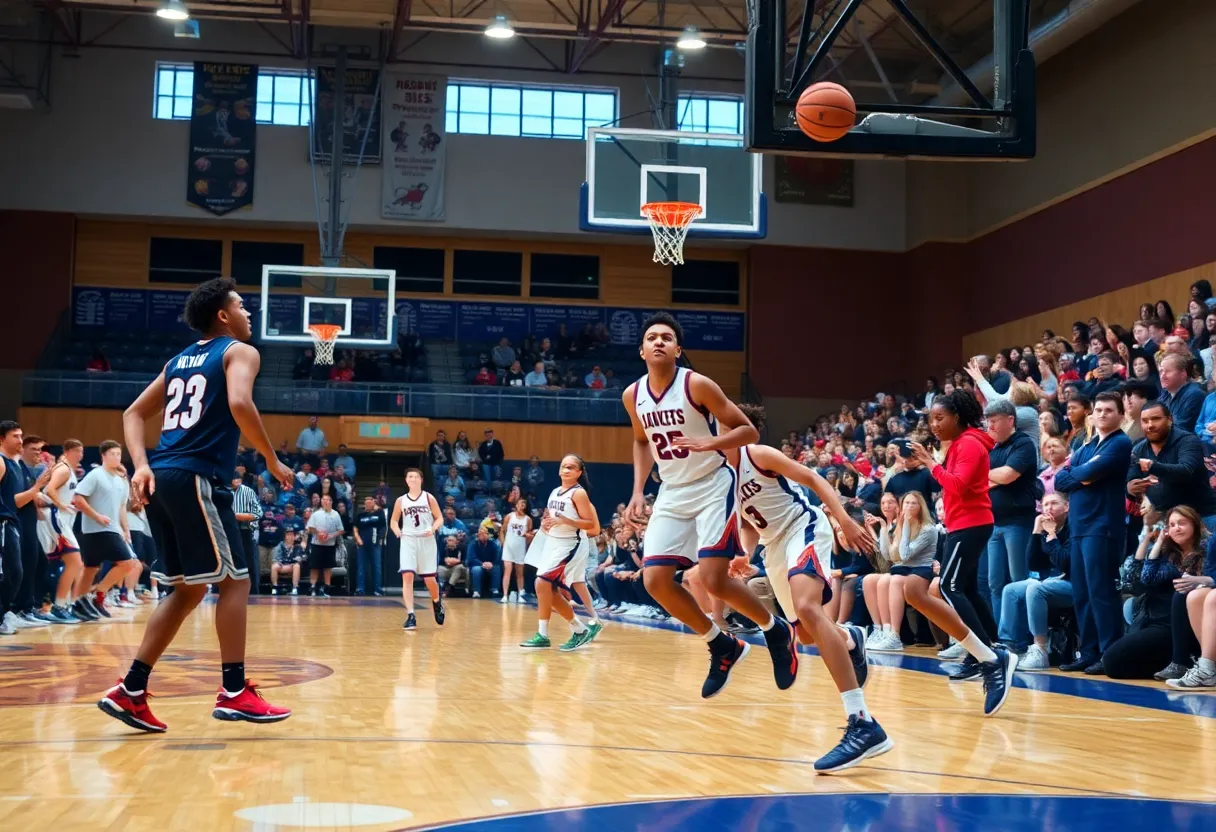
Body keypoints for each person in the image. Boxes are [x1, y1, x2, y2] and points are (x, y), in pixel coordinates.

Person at [104, 277, 295, 732]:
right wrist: (270, 456)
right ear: (223, 315)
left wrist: (141, 465)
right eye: (242, 306)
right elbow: (239, 401)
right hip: (196, 477)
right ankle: (234, 691)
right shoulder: (238, 351)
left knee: (187, 590)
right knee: (236, 583)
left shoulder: (178, 361)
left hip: (164, 479)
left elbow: (132, 413)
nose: (250, 313)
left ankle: (130, 691)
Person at [622, 313, 797, 697]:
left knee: (715, 579)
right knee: (655, 581)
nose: (659, 342)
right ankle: (722, 644)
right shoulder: (632, 395)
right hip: (672, 490)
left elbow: (748, 430)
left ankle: (775, 630)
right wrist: (638, 490)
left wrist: (710, 444)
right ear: (641, 350)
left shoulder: (696, 384)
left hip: (712, 485)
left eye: (667, 338)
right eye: (652, 337)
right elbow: (640, 441)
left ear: (678, 349)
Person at [732, 407, 889, 774]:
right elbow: (750, 520)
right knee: (805, 634)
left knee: (806, 607)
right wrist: (743, 552)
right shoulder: (720, 474)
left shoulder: (758, 455)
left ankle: (862, 722)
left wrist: (845, 522)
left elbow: (816, 481)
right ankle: (850, 639)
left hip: (803, 525)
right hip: (773, 545)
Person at [906, 390, 1017, 716]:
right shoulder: (962, 444)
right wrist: (935, 463)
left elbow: (957, 485)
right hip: (963, 524)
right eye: (931, 420)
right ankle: (985, 649)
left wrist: (931, 465)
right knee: (965, 588)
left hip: (971, 524)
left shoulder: (968, 443)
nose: (934, 425)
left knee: (948, 587)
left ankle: (990, 657)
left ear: (958, 416)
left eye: (940, 418)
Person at [1053, 391, 1132, 675]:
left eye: (1109, 410)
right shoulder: (1086, 446)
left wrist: (1081, 475)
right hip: (1080, 527)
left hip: (1102, 527)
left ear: (1121, 415)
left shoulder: (1120, 443)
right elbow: (1061, 479)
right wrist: (1081, 476)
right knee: (1082, 594)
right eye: (1098, 410)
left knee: (1101, 593)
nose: (1102, 414)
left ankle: (1109, 654)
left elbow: (1081, 475)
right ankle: (1088, 652)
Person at [1103, 506, 1207, 679]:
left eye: (1182, 523)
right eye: (1172, 525)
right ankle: (1176, 664)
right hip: (1158, 625)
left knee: (1114, 661)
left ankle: (1185, 662)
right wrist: (1156, 542)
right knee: (1112, 662)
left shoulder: (1206, 551)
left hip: (1189, 625)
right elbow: (1143, 580)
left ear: (1195, 525)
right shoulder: (1164, 553)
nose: (1177, 528)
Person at [519, 455, 604, 652]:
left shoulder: (579, 494)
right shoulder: (555, 492)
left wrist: (567, 521)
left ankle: (548, 633)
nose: (566, 470)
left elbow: (590, 524)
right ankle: (576, 629)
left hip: (571, 544)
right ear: (559, 470)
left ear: (579, 473)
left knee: (544, 583)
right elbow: (551, 518)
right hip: (553, 542)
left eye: (571, 467)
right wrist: (546, 523)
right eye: (564, 466)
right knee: (546, 588)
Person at [997, 491, 1072, 671]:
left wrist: (1052, 535)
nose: (1049, 508)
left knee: (1035, 589)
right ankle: (1011, 646)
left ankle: (1040, 650)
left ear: (1067, 507)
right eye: (1045, 505)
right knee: (1011, 589)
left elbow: (1065, 562)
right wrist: (1036, 532)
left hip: (1073, 582)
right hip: (1049, 580)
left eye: (1054, 503)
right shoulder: (1045, 529)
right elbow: (1033, 563)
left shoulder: (1073, 528)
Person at [71, 441, 142, 619]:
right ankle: (89, 598)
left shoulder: (121, 481)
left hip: (113, 529)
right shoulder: (95, 475)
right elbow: (78, 499)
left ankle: (88, 599)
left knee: (92, 568)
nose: (117, 457)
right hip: (95, 529)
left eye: (119, 454)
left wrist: (126, 530)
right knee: (124, 563)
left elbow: (121, 508)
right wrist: (97, 516)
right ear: (103, 456)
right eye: (113, 454)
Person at [984, 399, 1039, 623]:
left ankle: (1023, 637)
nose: (991, 426)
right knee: (994, 583)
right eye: (988, 421)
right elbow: (987, 479)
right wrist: (994, 476)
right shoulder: (994, 449)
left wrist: (989, 474)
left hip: (1018, 522)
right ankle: (1002, 635)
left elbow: (1008, 475)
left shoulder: (1023, 444)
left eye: (994, 421)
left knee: (1018, 581)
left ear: (1010, 420)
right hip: (994, 523)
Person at [1127, 401, 1216, 530]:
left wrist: (1152, 466)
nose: (1150, 425)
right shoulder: (1138, 449)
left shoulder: (1187, 441)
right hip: (1165, 521)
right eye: (1145, 421)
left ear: (1170, 419)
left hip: (1202, 517)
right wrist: (1132, 488)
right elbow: (1131, 478)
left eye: (1155, 419)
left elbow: (1186, 471)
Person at [873, 492, 939, 654]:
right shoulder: (899, 527)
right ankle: (885, 631)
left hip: (922, 569)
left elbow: (905, 554)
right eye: (906, 503)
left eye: (913, 504)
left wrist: (906, 526)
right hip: (904, 569)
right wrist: (883, 528)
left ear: (920, 507)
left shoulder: (928, 529)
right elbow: (887, 555)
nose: (909, 507)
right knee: (879, 581)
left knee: (894, 581)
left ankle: (895, 636)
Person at [390, 469, 444, 630]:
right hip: (408, 539)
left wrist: (433, 528)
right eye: (410, 476)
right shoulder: (401, 500)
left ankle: (436, 601)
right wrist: (396, 530)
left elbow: (439, 517)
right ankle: (411, 615)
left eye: (416, 476)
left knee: (430, 580)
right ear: (406, 480)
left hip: (426, 540)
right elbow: (393, 520)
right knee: (407, 576)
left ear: (421, 479)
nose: (413, 479)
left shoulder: (429, 497)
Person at [44, 439, 87, 622]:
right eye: (77, 451)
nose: (80, 455)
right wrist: (61, 504)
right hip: (57, 519)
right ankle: (59, 606)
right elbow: (49, 489)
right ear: (68, 451)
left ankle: (63, 603)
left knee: (74, 563)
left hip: (64, 521)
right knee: (75, 562)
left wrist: (67, 502)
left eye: (82, 451)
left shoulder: (68, 469)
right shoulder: (62, 469)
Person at [1157, 353, 1204, 433]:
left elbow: (1180, 428)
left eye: (1167, 371)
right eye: (1161, 371)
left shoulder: (1194, 394)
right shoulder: (1166, 392)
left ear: (1183, 374)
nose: (1162, 376)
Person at [354, 495, 387, 596]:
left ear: (374, 502)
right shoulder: (360, 514)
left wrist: (381, 538)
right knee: (361, 567)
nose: (367, 504)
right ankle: (360, 589)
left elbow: (384, 527)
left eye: (369, 502)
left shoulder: (379, 513)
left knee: (376, 567)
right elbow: (355, 527)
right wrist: (357, 538)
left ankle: (378, 589)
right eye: (366, 502)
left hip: (375, 543)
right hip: (362, 543)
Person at [499, 497, 531, 604]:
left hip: (520, 547)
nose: (522, 506)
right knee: (507, 571)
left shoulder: (528, 519)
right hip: (509, 546)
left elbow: (529, 535)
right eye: (520, 504)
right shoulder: (509, 516)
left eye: (524, 504)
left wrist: (526, 544)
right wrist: (503, 543)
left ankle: (521, 595)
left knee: (519, 573)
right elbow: (502, 530)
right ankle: (504, 595)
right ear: (516, 505)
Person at [465, 526, 501, 599]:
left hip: (490, 564)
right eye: (481, 534)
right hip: (477, 564)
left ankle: (495, 590)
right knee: (477, 569)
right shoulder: (473, 544)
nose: (483, 535)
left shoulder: (493, 544)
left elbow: (497, 557)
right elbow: (471, 558)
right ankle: (476, 591)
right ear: (478, 535)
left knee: (497, 568)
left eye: (485, 534)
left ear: (488, 535)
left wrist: (491, 564)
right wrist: (482, 564)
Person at [270, 529, 305, 595]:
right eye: (288, 535)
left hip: (292, 566)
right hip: (282, 565)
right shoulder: (280, 545)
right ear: (285, 536)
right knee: (274, 566)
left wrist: (294, 562)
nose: (290, 537)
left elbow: (300, 558)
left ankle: (295, 588)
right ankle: (275, 587)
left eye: (292, 535)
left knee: (297, 566)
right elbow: (276, 558)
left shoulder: (298, 546)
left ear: (295, 537)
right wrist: (280, 563)